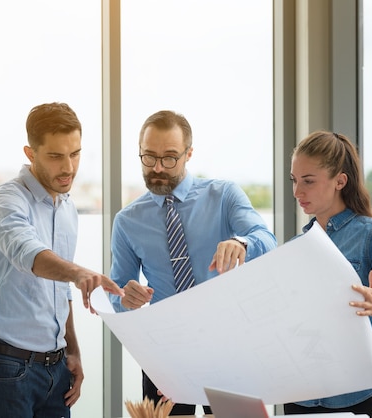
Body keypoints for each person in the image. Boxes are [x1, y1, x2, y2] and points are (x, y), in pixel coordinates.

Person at [108, 110, 278, 415]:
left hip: (229, 351)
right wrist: (125, 297)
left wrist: (241, 243)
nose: (158, 167)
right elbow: (117, 289)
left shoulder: (223, 195)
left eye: (170, 157)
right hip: (164, 356)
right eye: (149, 157)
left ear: (189, 154)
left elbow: (266, 239)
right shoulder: (127, 221)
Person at [0, 102, 124, 418]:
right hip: (4, 371)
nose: (68, 167)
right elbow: (31, 256)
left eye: (75, 153)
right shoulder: (6, 201)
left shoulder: (66, 208)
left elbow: (59, 291)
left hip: (56, 371)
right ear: (30, 153)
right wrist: (79, 273)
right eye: (55, 156)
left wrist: (73, 350)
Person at [284, 130, 372, 418]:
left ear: (340, 181)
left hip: (358, 396)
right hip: (300, 394)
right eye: (294, 180)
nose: (297, 192)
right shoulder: (295, 247)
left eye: (308, 181)